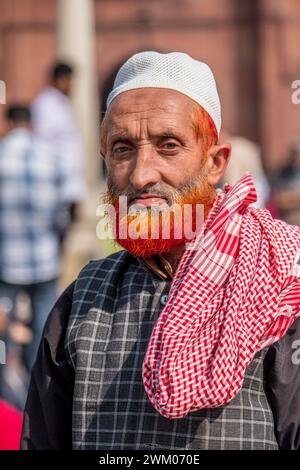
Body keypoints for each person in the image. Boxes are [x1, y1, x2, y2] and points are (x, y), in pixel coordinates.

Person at [21, 52, 300, 450]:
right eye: (122, 148)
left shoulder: (276, 281)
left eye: (168, 146)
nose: (141, 174)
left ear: (215, 163)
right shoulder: (81, 298)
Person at [0, 105, 66, 376]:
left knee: (3, 330)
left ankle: (5, 394)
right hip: (44, 258)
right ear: (30, 122)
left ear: (9, 123)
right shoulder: (49, 156)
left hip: (6, 262)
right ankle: (37, 388)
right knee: (44, 332)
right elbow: (62, 211)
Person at [31, 62, 86, 240]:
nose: (72, 85)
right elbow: (44, 142)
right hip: (58, 180)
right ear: (61, 80)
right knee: (57, 230)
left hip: (68, 179)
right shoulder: (47, 104)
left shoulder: (60, 103)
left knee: (66, 228)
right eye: (70, 80)